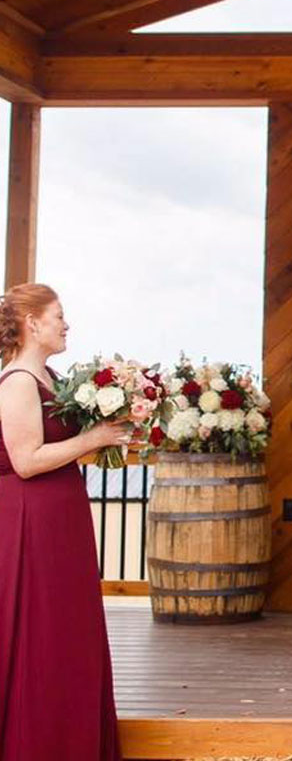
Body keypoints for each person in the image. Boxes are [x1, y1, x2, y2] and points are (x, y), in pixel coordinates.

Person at [0, 283, 129, 760]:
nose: (66, 324)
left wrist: (110, 430)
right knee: (41, 635)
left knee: (66, 634)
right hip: (30, 524)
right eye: (58, 316)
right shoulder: (17, 382)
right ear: (32, 323)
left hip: (61, 522)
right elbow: (26, 461)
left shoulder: (51, 378)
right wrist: (93, 438)